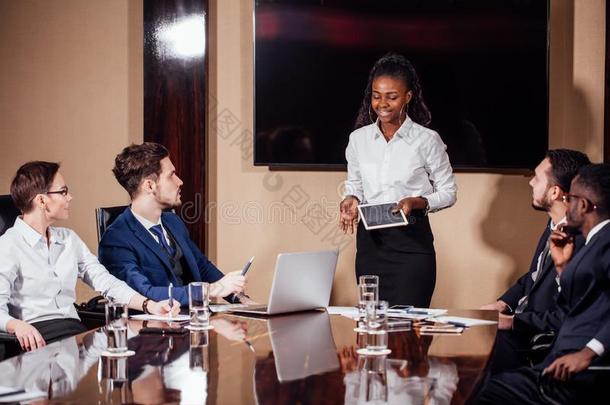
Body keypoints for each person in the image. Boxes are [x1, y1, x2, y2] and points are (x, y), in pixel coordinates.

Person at [0, 161, 178, 353]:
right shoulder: (8, 245)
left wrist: (148, 305)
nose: (70, 197)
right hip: (37, 340)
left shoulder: (69, 239)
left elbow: (105, 281)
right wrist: (16, 325)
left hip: (74, 333)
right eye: (63, 191)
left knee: (139, 353)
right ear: (41, 201)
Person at [473, 164, 610, 404]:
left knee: (476, 391)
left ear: (584, 205)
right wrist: (562, 268)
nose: (567, 203)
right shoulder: (592, 240)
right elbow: (578, 307)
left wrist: (589, 353)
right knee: (475, 384)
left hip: (578, 371)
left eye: (571, 198)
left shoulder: (605, 242)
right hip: (556, 362)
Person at [339, 53, 457, 307]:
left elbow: (449, 191)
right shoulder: (358, 139)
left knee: (407, 333)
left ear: (408, 97)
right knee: (372, 327)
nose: (382, 103)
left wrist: (417, 201)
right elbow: (355, 184)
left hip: (411, 244)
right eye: (376, 95)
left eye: (392, 97)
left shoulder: (427, 140)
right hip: (370, 245)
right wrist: (351, 198)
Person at [480, 150, 589, 373]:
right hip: (520, 326)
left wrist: (512, 322)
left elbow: (566, 314)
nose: (530, 182)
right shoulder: (554, 222)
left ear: (555, 192)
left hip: (540, 340)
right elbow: (534, 276)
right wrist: (504, 303)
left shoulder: (582, 241)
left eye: (537, 178)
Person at [99, 142, 247, 306]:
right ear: (149, 185)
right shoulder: (116, 239)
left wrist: (239, 298)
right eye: (171, 175)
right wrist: (211, 290)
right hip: (152, 328)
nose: (180, 181)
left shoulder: (173, 221)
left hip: (195, 319)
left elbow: (202, 267)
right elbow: (144, 293)